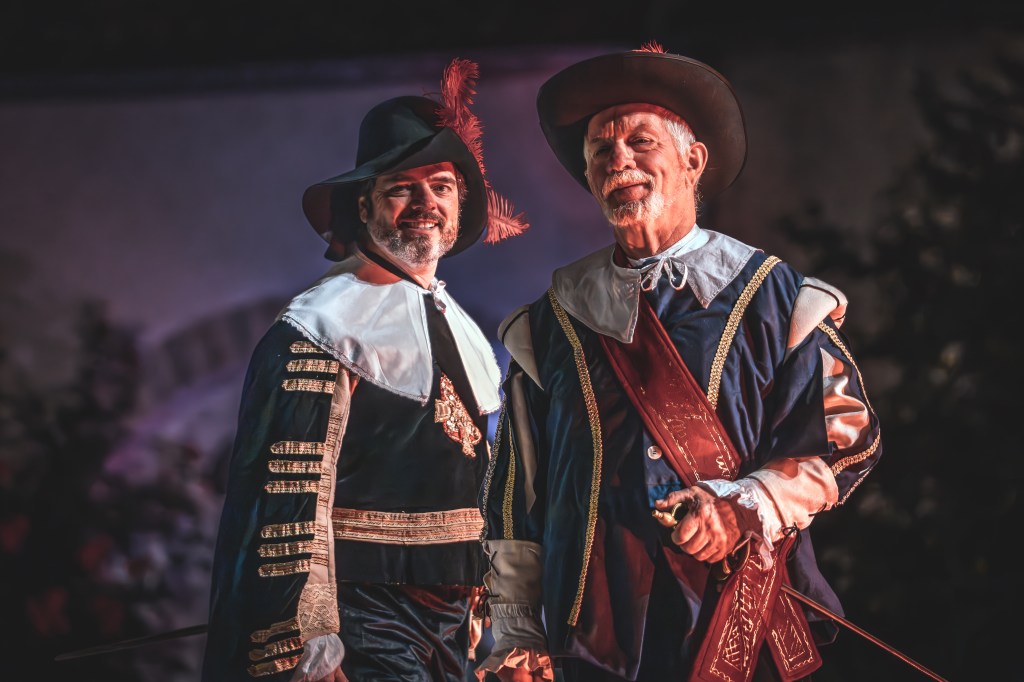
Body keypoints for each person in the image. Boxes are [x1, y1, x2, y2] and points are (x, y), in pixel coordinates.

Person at [476, 43, 883, 682]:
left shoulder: (776, 298)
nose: (621, 162)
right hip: (592, 638)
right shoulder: (549, 323)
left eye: (642, 142)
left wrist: (741, 505)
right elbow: (516, 495)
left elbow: (847, 444)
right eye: (601, 153)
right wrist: (516, 632)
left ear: (692, 160)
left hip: (735, 621)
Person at [201, 58, 527, 682]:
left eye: (442, 186)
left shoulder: (462, 326)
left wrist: (490, 619)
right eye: (402, 186)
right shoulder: (322, 324)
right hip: (363, 623)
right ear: (366, 203)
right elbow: (288, 509)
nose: (425, 204)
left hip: (453, 629)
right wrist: (310, 653)